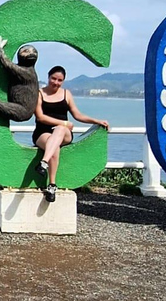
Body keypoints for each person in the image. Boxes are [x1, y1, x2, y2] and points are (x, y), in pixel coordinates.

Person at [33, 66, 109, 202]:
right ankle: (52, 185)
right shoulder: (39, 94)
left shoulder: (66, 94)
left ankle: (44, 162)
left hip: (64, 134)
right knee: (54, 144)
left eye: (59, 80)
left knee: (60, 130)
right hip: (42, 133)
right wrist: (65, 122)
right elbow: (40, 117)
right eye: (53, 78)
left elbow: (77, 115)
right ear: (48, 77)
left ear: (63, 81)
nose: (56, 82)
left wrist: (96, 120)